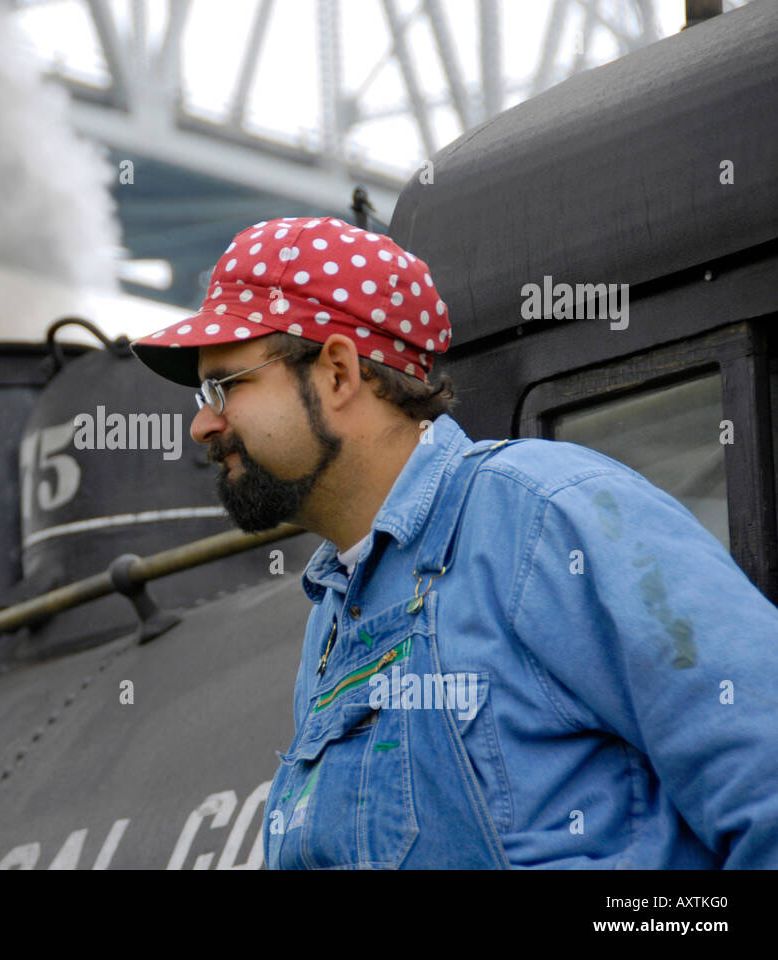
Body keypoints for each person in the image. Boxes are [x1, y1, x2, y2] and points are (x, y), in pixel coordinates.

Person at [129, 216, 778, 869]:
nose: (203, 425)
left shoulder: (546, 515)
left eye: (225, 385)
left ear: (336, 372)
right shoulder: (333, 613)